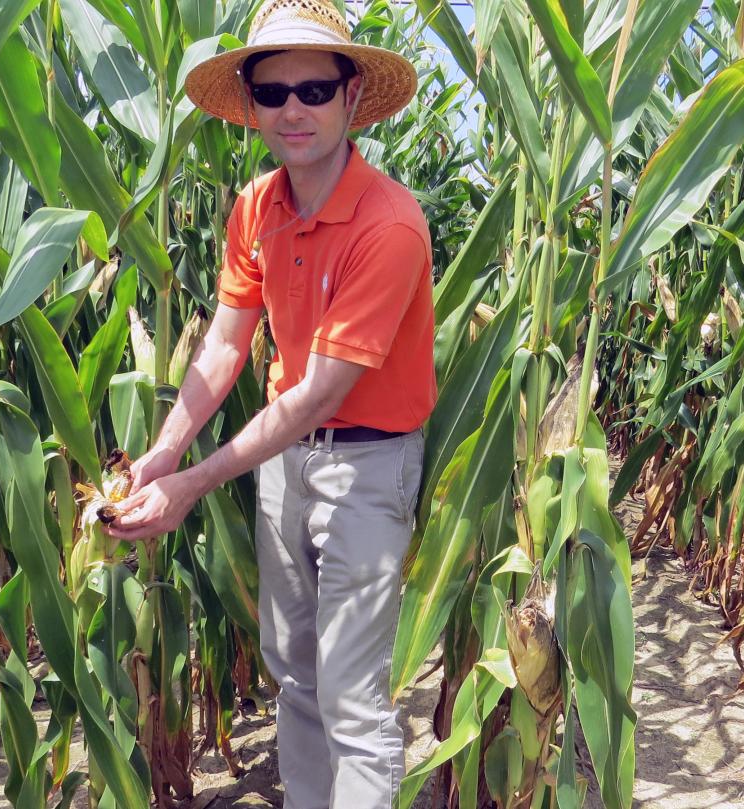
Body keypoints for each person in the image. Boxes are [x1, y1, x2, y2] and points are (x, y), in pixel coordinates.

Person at [102, 0, 436, 805]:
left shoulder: (388, 225)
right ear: (250, 104)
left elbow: (318, 389)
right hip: (287, 462)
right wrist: (164, 450)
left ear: (352, 97)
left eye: (315, 90)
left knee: (353, 697)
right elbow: (224, 346)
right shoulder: (256, 207)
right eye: (273, 91)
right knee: (294, 677)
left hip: (366, 463)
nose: (294, 109)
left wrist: (193, 485)